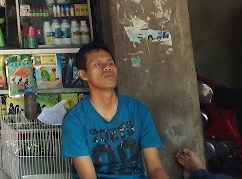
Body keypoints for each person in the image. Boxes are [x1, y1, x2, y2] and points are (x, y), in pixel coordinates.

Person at [61, 42, 168, 179]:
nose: (107, 68)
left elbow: (155, 168)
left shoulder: (138, 110)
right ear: (83, 74)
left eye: (110, 63)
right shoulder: (75, 120)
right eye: (97, 64)